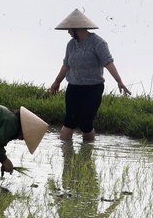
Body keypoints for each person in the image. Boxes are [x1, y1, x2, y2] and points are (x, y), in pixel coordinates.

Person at [50, 8, 131, 141]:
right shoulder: (71, 45)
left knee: (85, 123)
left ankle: (87, 154)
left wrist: (119, 81)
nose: (69, 32)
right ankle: (66, 156)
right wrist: (57, 82)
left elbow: (108, 63)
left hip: (93, 88)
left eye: (70, 30)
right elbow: (66, 66)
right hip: (74, 88)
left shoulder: (98, 43)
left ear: (78, 29)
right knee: (69, 122)